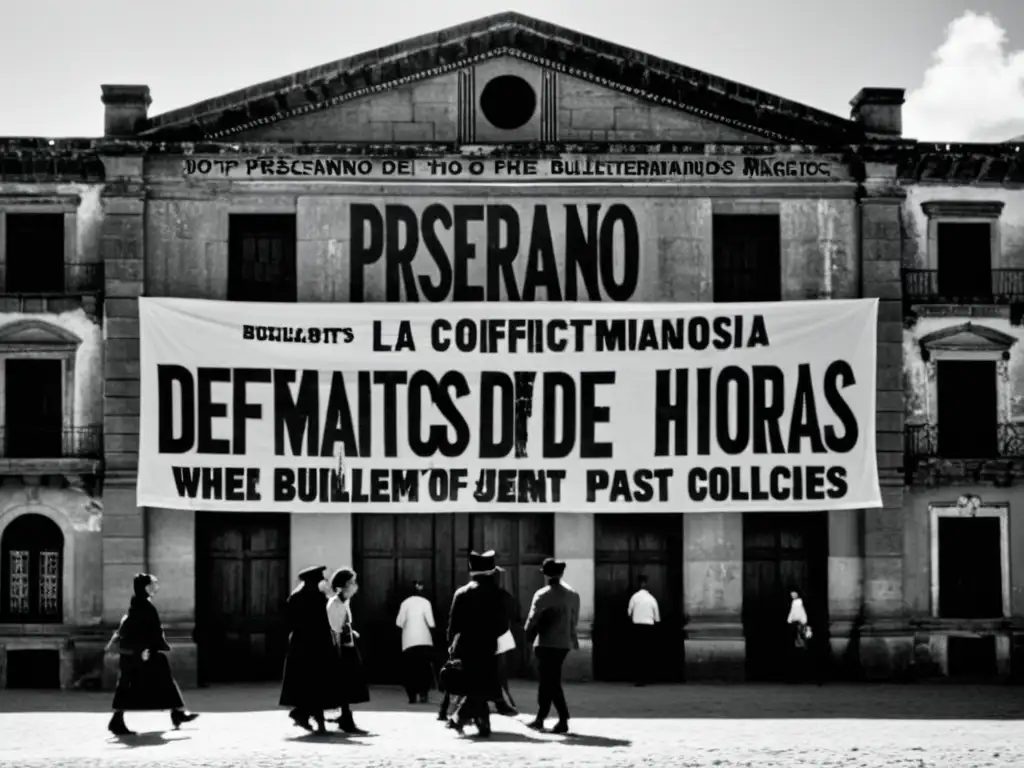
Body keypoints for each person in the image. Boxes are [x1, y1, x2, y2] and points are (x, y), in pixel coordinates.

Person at [108, 573, 198, 736]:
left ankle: (177, 712)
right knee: (129, 685)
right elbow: (142, 631)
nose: (157, 587)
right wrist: (144, 649)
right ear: (146, 587)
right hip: (140, 653)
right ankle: (117, 720)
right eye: (154, 584)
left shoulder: (139, 604)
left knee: (155, 681)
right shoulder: (143, 606)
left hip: (141, 652)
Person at [444, 550, 509, 737]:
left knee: (474, 685)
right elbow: (504, 624)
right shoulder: (499, 594)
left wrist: (451, 647)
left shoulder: (462, 593)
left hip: (466, 647)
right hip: (489, 646)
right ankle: (478, 721)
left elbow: (453, 624)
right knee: (481, 684)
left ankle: (462, 718)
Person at [279, 565, 340, 734]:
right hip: (316, 645)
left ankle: (304, 714)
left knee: (306, 684)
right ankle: (311, 718)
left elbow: (288, 622)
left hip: (301, 645)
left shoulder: (295, 598)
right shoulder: (318, 599)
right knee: (317, 683)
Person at [524, 558, 580, 734]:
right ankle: (541, 717)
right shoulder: (572, 594)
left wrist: (526, 638)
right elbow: (575, 619)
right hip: (565, 643)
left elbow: (532, 621)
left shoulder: (542, 595)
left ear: (546, 575)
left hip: (546, 642)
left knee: (549, 681)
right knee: (549, 680)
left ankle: (562, 718)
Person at [327, 567, 370, 733]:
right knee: (344, 685)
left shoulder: (345, 602)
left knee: (347, 686)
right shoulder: (335, 604)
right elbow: (334, 629)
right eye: (351, 583)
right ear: (343, 585)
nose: (354, 586)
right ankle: (345, 719)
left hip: (348, 647)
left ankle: (345, 717)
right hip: (341, 650)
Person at [396, 579, 436, 704]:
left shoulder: (405, 603)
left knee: (410, 669)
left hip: (408, 641)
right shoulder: (426, 602)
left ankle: (412, 696)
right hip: (424, 639)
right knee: (424, 667)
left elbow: (399, 622)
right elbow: (431, 623)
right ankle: (424, 693)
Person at [627, 575, 660, 686]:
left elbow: (629, 613)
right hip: (648, 627)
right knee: (648, 652)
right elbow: (657, 618)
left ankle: (638, 678)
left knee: (638, 652)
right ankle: (648, 677)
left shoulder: (634, 597)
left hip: (637, 627)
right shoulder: (652, 599)